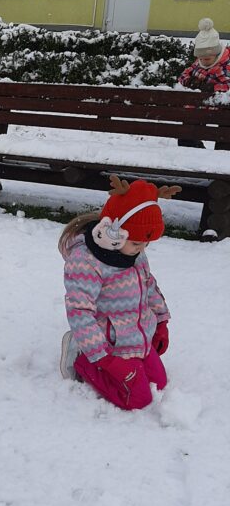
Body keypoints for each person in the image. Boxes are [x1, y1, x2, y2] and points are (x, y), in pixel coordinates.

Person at [59, 176, 180, 411]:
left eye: (145, 245)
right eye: (136, 244)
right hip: (108, 345)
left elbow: (149, 285)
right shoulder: (86, 263)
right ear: (114, 233)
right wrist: (102, 357)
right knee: (137, 399)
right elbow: (79, 312)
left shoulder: (134, 253)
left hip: (137, 336)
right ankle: (82, 360)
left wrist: (162, 321)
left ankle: (120, 358)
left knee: (160, 383)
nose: (141, 250)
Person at [179, 18, 230, 95]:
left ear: (216, 54)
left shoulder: (223, 68)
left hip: (212, 103)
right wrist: (189, 80)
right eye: (200, 58)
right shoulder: (198, 63)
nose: (202, 61)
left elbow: (228, 86)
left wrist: (213, 87)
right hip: (195, 102)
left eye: (207, 58)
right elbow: (183, 75)